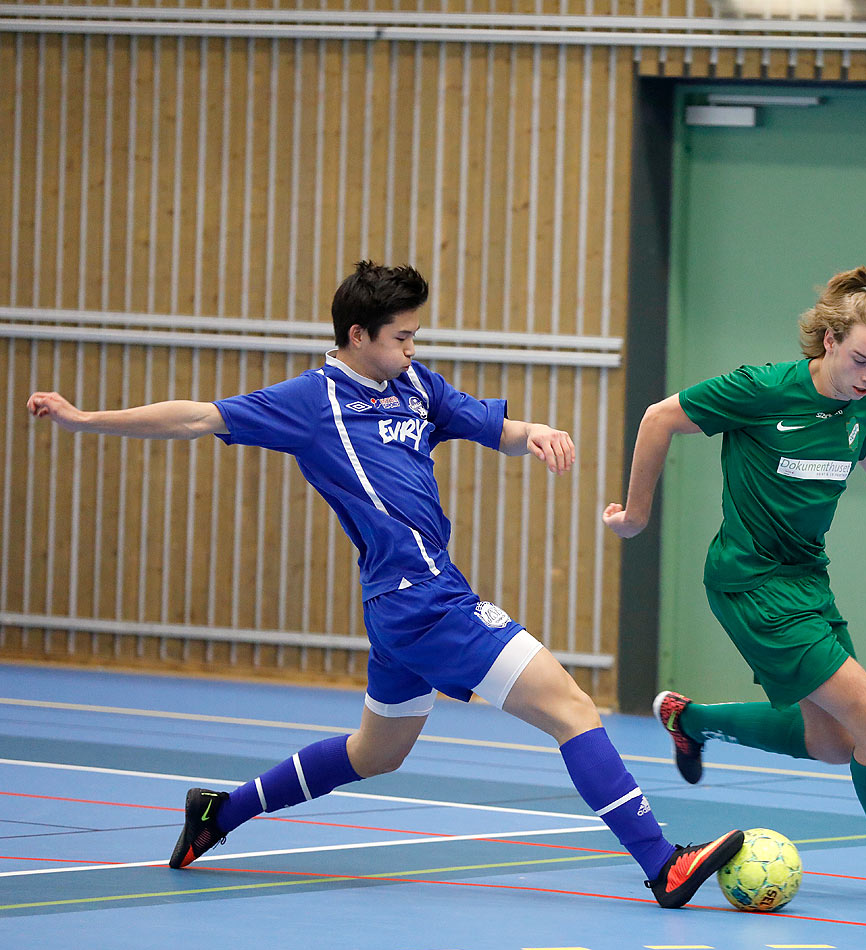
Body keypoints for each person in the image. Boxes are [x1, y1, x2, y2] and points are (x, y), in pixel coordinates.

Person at [27, 260, 742, 908]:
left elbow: (495, 427)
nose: (412, 350)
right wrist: (84, 419)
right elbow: (194, 416)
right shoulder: (310, 402)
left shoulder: (416, 386)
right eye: (401, 338)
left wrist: (539, 434)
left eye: (415, 337)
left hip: (399, 604)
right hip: (427, 600)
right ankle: (663, 865)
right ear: (357, 334)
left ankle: (221, 812)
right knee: (573, 709)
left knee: (377, 754)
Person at [603, 267, 866, 903]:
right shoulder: (761, 389)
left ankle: (691, 719)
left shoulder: (859, 406)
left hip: (806, 582)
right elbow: (659, 418)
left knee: (833, 742)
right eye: (861, 361)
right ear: (827, 341)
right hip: (750, 582)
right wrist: (635, 515)